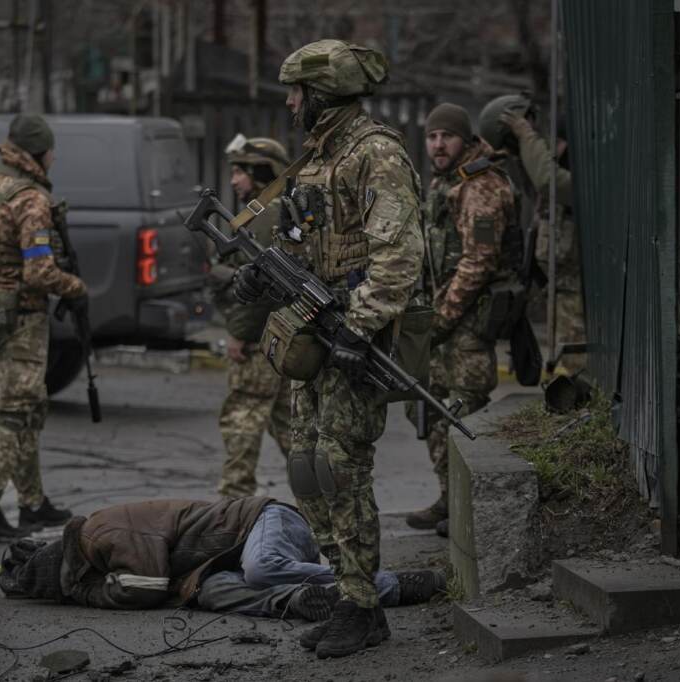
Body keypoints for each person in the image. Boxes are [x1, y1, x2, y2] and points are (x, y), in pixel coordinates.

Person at [232, 40, 424, 658]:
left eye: (296, 92)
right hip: (311, 330)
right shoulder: (318, 159)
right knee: (306, 466)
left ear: (322, 95)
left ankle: (365, 606)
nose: (289, 103)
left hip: (351, 336)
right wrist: (265, 272)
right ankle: (348, 592)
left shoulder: (376, 154)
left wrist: (359, 326)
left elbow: (399, 257)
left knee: (341, 467)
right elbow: (302, 241)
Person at [0, 114, 87, 543]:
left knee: (30, 408)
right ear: (41, 154)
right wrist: (76, 287)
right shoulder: (31, 199)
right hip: (23, 321)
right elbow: (39, 273)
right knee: (12, 414)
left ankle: (33, 504)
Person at [0, 497, 445, 621]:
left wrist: (86, 593)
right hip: (219, 563)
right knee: (211, 593)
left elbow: (146, 587)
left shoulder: (102, 530)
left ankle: (384, 583)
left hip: (263, 521)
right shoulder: (96, 549)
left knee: (261, 568)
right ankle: (300, 600)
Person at [404, 104, 518, 538]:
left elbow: (479, 262)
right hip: (445, 323)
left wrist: (443, 318)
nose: (437, 145)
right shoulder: (448, 183)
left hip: (469, 324)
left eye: (446, 137)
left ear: (465, 139)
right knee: (434, 410)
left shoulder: (482, 187)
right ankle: (450, 499)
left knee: (463, 411)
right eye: (432, 137)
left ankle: (473, 510)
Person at [210, 134, 293, 498]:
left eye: (240, 172)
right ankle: (320, 503)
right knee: (292, 427)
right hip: (284, 337)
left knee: (242, 417)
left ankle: (233, 501)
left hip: (259, 339)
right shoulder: (278, 209)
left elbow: (257, 286)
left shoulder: (264, 215)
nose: (233, 180)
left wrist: (239, 335)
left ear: (261, 171)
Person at [480, 94, 584, 373]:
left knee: (579, 362)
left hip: (576, 287)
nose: (552, 150)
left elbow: (549, 181)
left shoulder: (575, 176)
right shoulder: (538, 171)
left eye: (558, 144)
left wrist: (525, 134)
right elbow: (534, 183)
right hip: (558, 287)